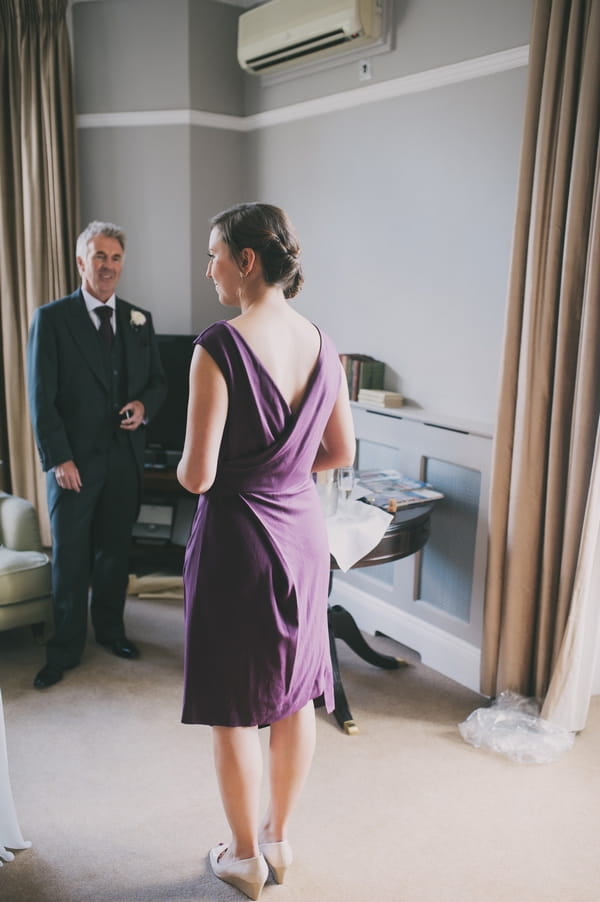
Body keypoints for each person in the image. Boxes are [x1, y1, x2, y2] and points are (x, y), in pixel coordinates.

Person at [177, 202, 355, 900]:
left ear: (246, 261)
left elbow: (197, 476)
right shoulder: (323, 342)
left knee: (232, 704)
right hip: (302, 536)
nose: (210, 267)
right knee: (295, 698)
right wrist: (282, 471)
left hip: (239, 543)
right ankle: (282, 838)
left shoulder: (219, 345)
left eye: (215, 253)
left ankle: (245, 858)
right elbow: (337, 451)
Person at [27, 220, 167, 690]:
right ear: (81, 261)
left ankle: (111, 632)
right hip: (74, 464)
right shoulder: (52, 318)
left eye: (115, 258)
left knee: (114, 553)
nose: (107, 266)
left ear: (122, 265)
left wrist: (144, 406)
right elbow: (40, 397)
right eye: (99, 256)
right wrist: (58, 459)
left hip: (124, 460)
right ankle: (64, 648)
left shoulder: (139, 319)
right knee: (70, 557)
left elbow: (159, 383)